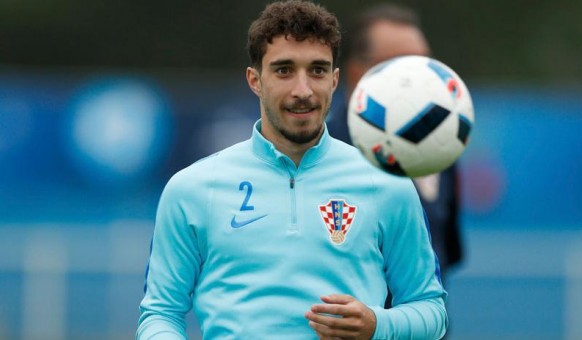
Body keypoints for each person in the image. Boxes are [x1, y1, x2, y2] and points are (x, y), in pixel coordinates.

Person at [136, 1, 448, 339]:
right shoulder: (193, 188)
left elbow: (430, 309)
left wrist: (378, 325)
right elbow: (160, 313)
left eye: (317, 70)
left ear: (334, 80)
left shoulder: (386, 182)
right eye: (284, 70)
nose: (303, 90)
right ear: (255, 80)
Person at [326, 3, 463, 290]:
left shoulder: (442, 147)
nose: (422, 78)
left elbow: (446, 253)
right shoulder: (319, 154)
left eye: (426, 64)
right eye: (405, 67)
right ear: (356, 73)